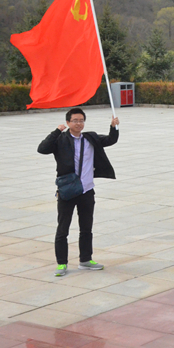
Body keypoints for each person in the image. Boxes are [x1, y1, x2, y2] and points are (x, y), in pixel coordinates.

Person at [39, 109, 119, 277]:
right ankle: (62, 263)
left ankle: (85, 260)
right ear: (68, 122)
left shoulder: (90, 138)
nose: (78, 123)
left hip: (87, 190)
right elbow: (42, 149)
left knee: (86, 228)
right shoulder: (60, 139)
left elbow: (111, 140)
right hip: (68, 191)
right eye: (75, 120)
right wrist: (56, 131)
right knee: (63, 229)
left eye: (81, 120)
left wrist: (114, 127)